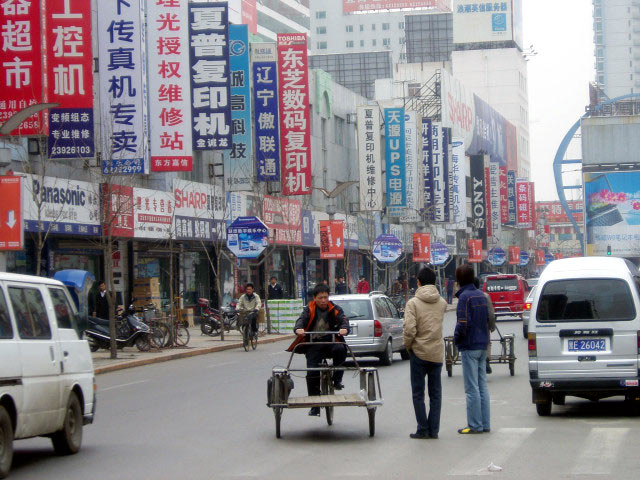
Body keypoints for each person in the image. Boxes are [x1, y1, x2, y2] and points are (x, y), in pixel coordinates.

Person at [287, 284, 349, 416]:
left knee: (341, 350)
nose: (323, 300)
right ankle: (315, 405)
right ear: (314, 298)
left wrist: (344, 328)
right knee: (312, 371)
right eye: (320, 298)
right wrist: (298, 329)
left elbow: (344, 320)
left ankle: (337, 380)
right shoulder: (309, 309)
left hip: (332, 341)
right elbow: (301, 320)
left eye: (325, 297)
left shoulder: (335, 309)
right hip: (313, 344)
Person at [403, 266, 448, 440]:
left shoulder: (412, 303)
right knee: (436, 394)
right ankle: (434, 430)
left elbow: (409, 330)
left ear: (419, 282)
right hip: (436, 353)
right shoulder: (442, 303)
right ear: (435, 282)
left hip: (419, 353)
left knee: (418, 394)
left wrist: (408, 346)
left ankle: (422, 428)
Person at [454, 264, 491, 434]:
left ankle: (474, 425)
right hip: (483, 344)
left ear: (460, 280)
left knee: (471, 388)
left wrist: (457, 339)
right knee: (482, 386)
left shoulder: (465, 298)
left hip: (470, 346)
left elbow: (463, 323)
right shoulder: (481, 296)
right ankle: (484, 423)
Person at [474, 277, 496, 374]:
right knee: (487, 342)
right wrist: (492, 326)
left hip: (470, 327)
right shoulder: (485, 296)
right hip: (483, 325)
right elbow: (491, 314)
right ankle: (486, 361)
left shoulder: (464, 296)